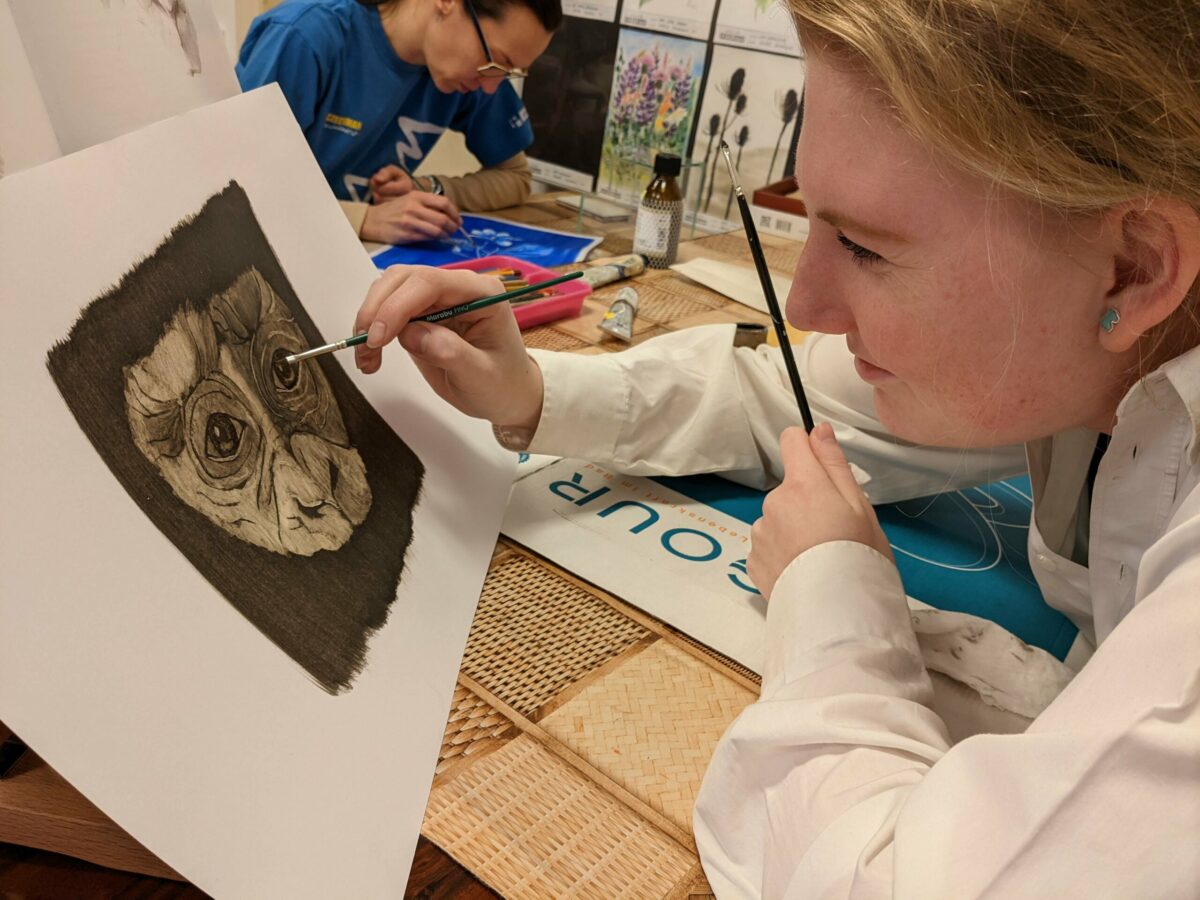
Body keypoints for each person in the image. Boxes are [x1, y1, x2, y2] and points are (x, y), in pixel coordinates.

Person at [352, 0, 1200, 894]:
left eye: (865, 248)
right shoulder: (1092, 345)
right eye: (814, 222)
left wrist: (833, 588)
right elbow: (783, 395)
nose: (806, 305)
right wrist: (533, 390)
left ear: (1134, 267)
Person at [236, 0, 559, 245]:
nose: (491, 87)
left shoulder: (469, 75)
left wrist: (427, 188)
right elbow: (235, 188)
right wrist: (363, 219)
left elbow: (515, 177)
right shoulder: (304, 37)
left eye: (509, 72)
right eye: (496, 61)